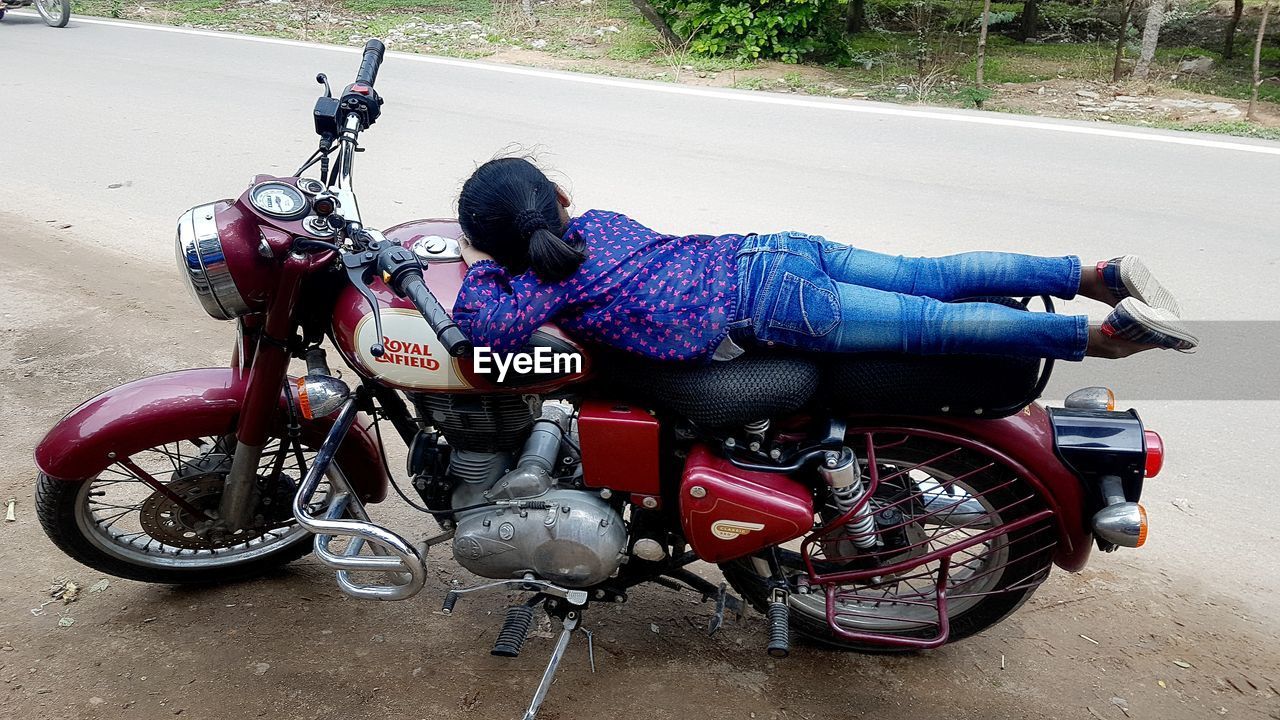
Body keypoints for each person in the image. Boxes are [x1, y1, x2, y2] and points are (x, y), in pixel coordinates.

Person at [453, 157, 1197, 364]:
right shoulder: (603, 223)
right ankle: (1095, 273)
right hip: (771, 246)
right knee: (928, 275)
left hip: (773, 307)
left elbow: (483, 331)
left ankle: (1097, 340)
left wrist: (479, 262)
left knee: (933, 325)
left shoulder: (539, 288)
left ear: (503, 244)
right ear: (558, 196)